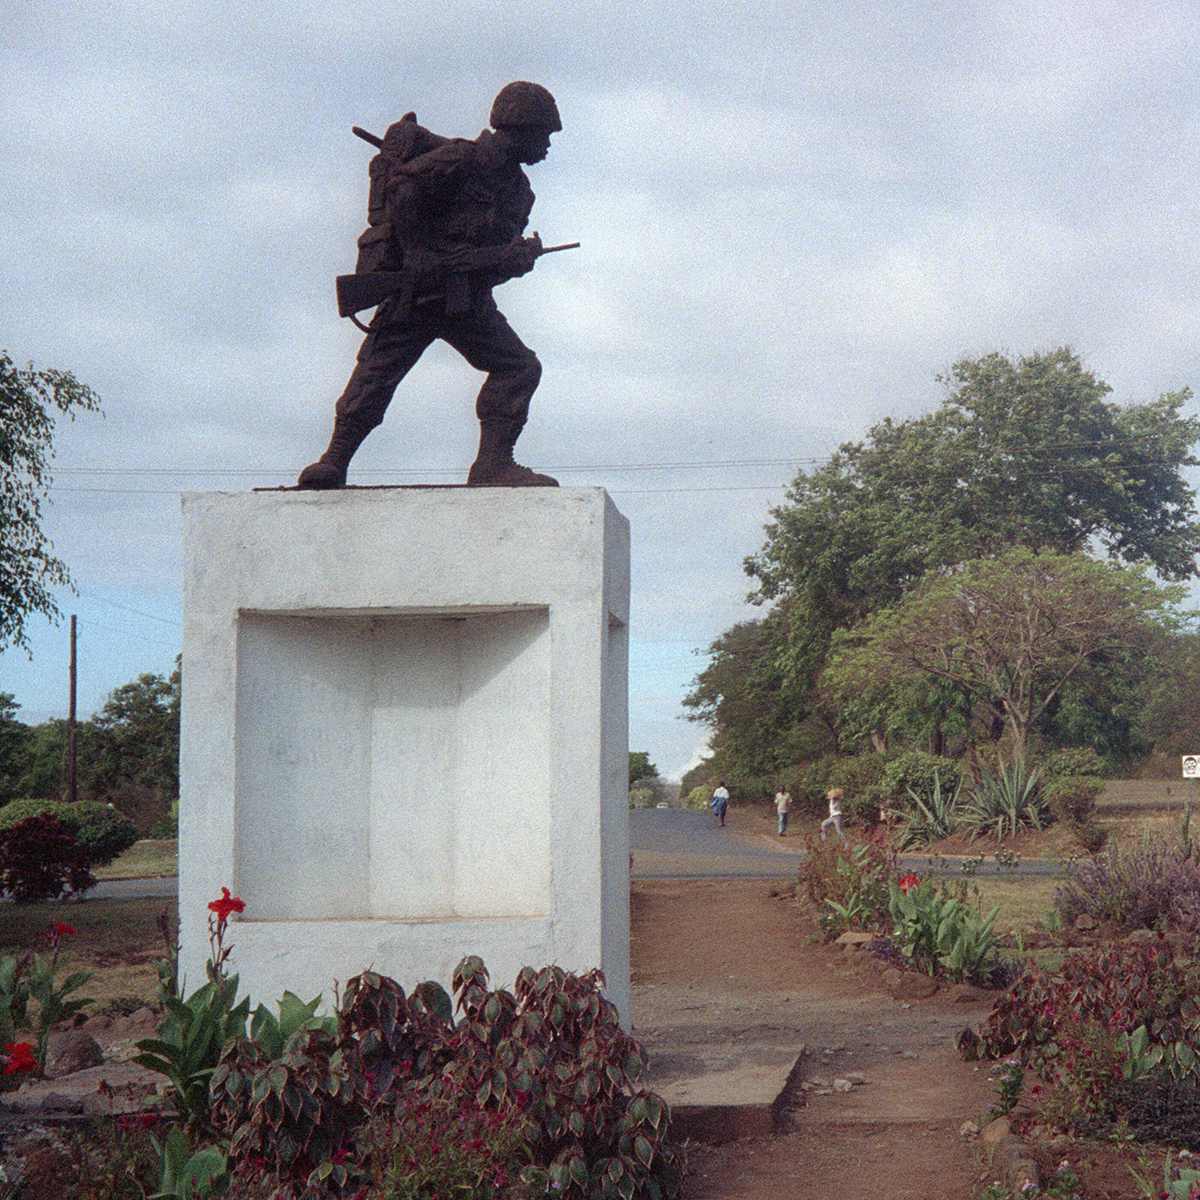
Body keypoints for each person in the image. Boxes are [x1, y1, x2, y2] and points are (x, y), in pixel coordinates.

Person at [298, 81, 563, 490]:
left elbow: (489, 262)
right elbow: (404, 186)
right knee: (375, 374)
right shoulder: (463, 157)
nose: (547, 145)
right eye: (543, 133)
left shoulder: (519, 195)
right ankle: (334, 460)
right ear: (520, 126)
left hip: (468, 301)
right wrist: (419, 251)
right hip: (417, 295)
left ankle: (493, 464)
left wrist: (511, 263)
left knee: (519, 367)